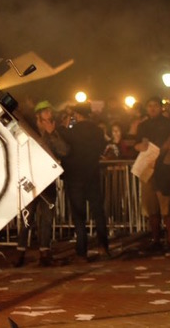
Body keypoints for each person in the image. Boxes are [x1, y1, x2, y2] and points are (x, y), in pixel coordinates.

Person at [14, 100, 70, 267]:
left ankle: (44, 252)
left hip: (47, 180)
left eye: (50, 112)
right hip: (31, 179)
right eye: (46, 112)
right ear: (38, 115)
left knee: (46, 218)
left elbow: (64, 151)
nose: (49, 115)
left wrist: (52, 134)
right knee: (27, 217)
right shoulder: (28, 129)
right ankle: (20, 253)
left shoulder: (57, 130)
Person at [61, 103, 110, 263]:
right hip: (92, 175)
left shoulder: (73, 132)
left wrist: (64, 124)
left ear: (77, 115)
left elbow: (63, 141)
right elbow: (101, 148)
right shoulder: (97, 131)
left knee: (79, 215)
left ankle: (82, 251)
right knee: (98, 213)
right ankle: (104, 246)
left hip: (75, 176)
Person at [135, 97, 170, 251]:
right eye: (150, 106)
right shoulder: (143, 126)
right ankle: (156, 239)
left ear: (161, 108)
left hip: (164, 169)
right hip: (148, 168)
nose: (152, 109)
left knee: (166, 207)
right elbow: (136, 143)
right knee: (151, 207)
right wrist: (139, 146)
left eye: (155, 106)